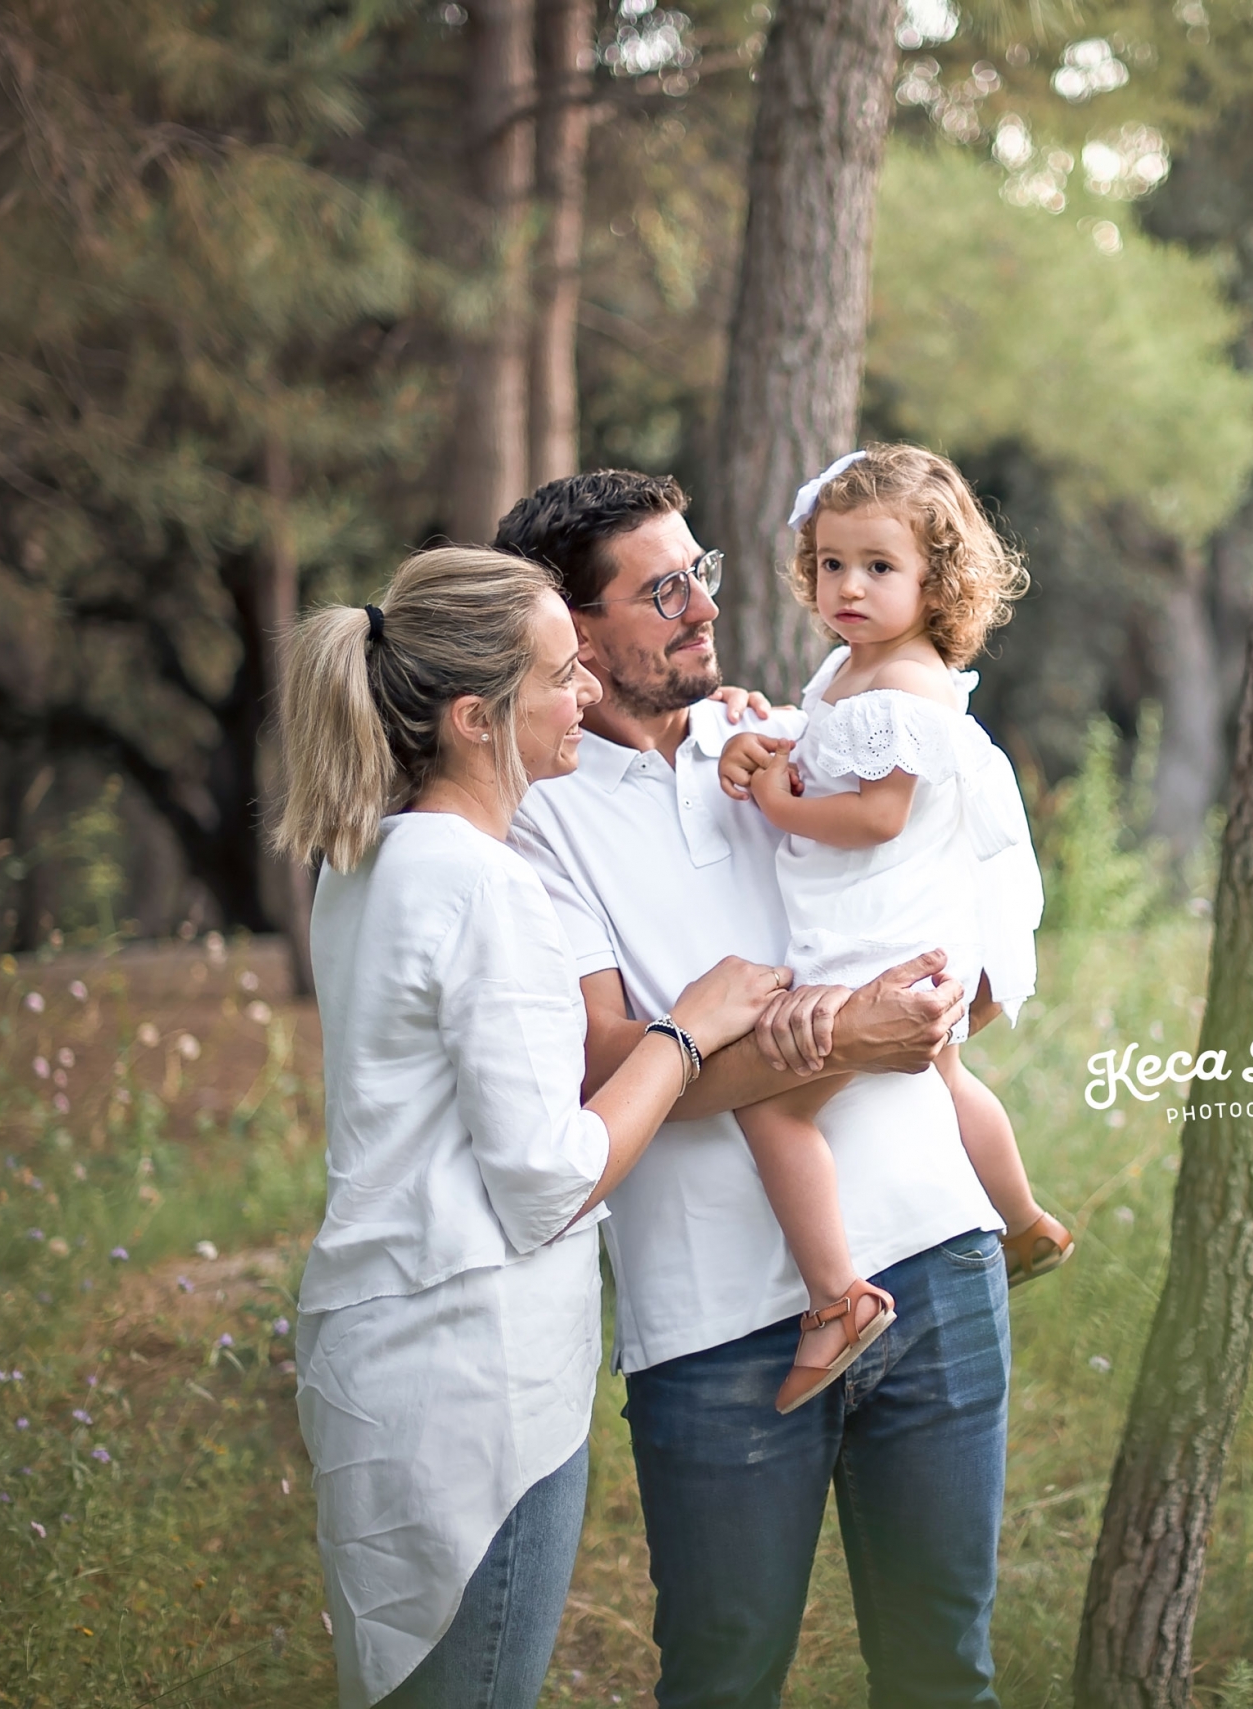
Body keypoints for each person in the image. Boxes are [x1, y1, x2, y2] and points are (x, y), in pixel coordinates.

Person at [497, 471, 1014, 1708]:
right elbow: (613, 1071)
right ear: (571, 628)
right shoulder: (535, 821)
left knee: (947, 1672)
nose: (699, 607)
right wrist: (847, 1032)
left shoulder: (777, 736)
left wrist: (946, 996)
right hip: (719, 1328)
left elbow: (968, 919)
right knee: (724, 1684)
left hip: (937, 1260)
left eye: (701, 572)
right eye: (660, 588)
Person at [274, 545, 781, 1709]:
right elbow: (549, 1182)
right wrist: (687, 1030)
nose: (588, 694)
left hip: (393, 1348)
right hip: (470, 1376)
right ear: (471, 717)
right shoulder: (480, 884)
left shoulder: (369, 861)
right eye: (561, 676)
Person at [714, 445, 1072, 1414]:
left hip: (875, 936)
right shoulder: (848, 666)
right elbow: (822, 745)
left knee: (771, 1103)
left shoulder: (907, 681)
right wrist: (769, 741)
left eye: (878, 566)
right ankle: (1025, 1218)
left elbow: (874, 812)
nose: (849, 586)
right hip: (868, 916)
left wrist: (778, 806)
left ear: (935, 577)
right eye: (831, 563)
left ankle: (836, 1299)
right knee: (948, 1073)